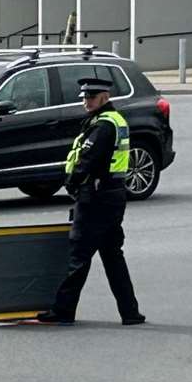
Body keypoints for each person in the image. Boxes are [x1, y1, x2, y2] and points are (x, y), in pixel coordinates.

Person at [34, 77, 145, 326]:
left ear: (104, 98)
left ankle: (63, 311)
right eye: (84, 97)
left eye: (91, 98)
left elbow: (88, 160)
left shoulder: (104, 126)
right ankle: (130, 312)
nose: (86, 102)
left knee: (79, 255)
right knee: (113, 256)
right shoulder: (112, 121)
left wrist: (72, 182)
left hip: (96, 197)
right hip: (113, 197)